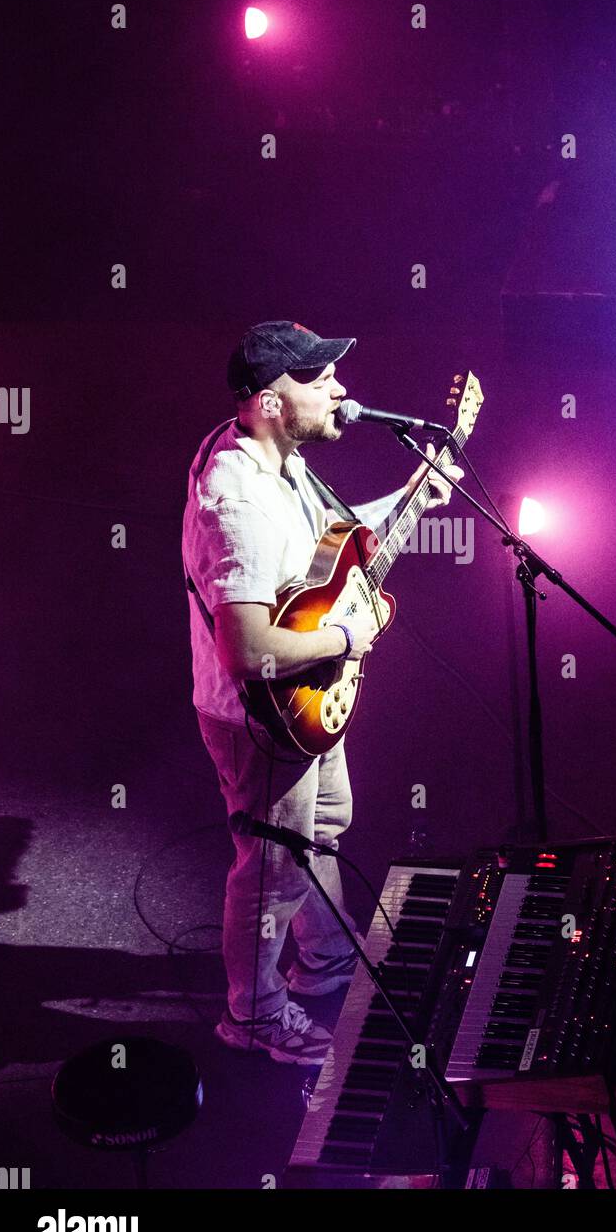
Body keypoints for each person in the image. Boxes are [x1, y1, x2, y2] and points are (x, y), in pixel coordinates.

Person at [181, 321, 463, 1066]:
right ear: (272, 402)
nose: (341, 388)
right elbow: (244, 651)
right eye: (320, 379)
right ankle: (254, 1014)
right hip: (262, 716)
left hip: (302, 696)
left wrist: (414, 494)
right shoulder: (234, 501)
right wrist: (345, 642)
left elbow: (326, 553)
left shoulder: (281, 459)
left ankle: (330, 961)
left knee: (325, 826)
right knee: (272, 869)